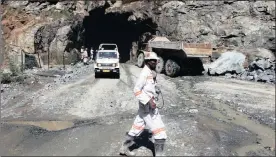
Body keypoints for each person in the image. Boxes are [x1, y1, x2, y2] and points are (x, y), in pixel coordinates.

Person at [120, 52, 167, 156]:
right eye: (152, 60)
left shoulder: (150, 72)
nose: (155, 62)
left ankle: (124, 149)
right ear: (147, 61)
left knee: (136, 127)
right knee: (160, 133)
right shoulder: (145, 73)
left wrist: (156, 89)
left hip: (146, 107)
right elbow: (137, 90)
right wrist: (149, 100)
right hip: (148, 107)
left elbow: (148, 88)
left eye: (156, 60)